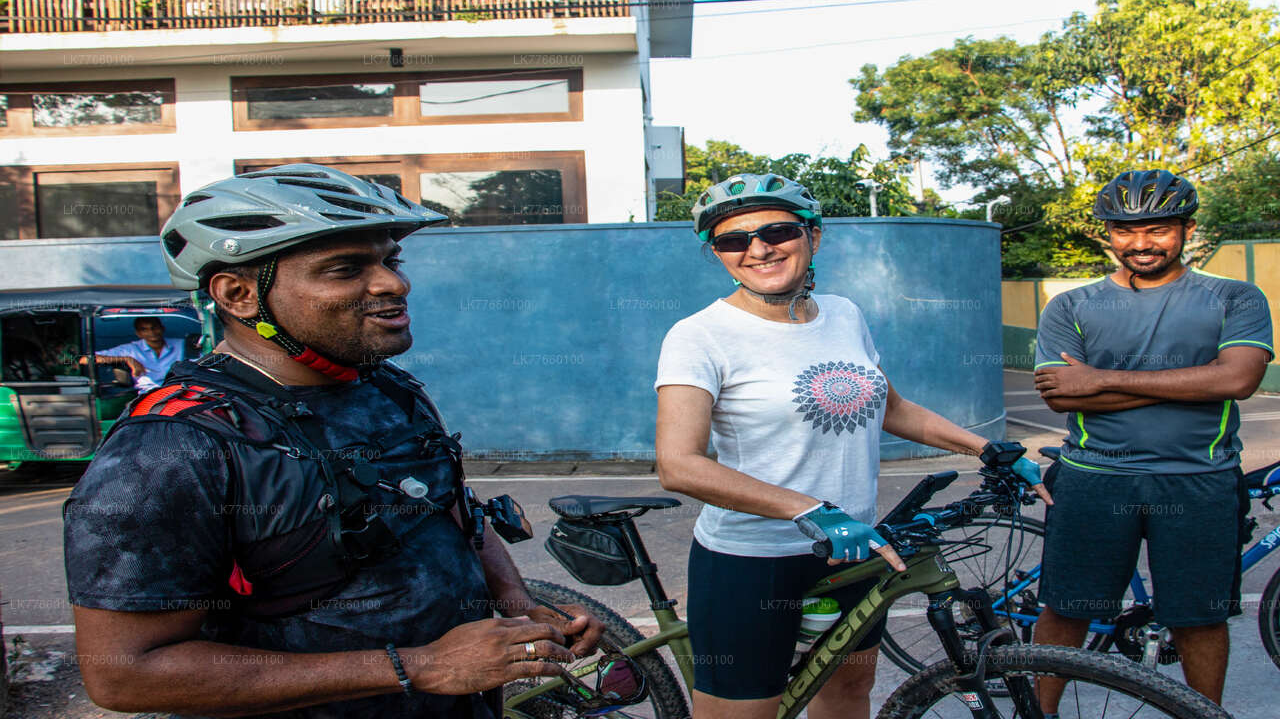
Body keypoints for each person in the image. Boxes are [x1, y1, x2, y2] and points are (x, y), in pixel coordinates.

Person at [62, 164, 603, 719]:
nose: (395, 284)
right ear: (240, 294)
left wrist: (516, 603)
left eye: (390, 260)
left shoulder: (386, 387)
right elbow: (124, 674)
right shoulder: (173, 447)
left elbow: (448, 511)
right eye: (345, 269)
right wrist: (417, 666)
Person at [653, 173, 1050, 719]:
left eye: (777, 231)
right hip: (753, 559)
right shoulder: (699, 336)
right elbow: (679, 465)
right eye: (732, 240)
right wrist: (808, 509)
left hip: (854, 551)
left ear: (814, 236)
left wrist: (987, 449)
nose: (758, 248)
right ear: (718, 253)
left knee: (846, 697)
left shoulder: (844, 314)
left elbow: (892, 407)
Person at [1031, 169, 1274, 712]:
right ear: (1108, 235)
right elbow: (1063, 396)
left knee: (1200, 616)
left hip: (1200, 481)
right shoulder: (1070, 306)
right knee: (1066, 610)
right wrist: (1195, 380)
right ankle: (1038, 712)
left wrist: (1103, 378)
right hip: (1093, 478)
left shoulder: (1234, 297)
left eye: (1158, 229)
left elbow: (1238, 379)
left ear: (1187, 229)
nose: (1140, 243)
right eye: (1125, 230)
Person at [89, 316, 184, 392]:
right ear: (138, 333)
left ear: (162, 328)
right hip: (147, 394)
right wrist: (127, 359)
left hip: (180, 392)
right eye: (144, 329)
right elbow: (85, 359)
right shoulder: (130, 349)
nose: (151, 332)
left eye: (154, 327)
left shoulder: (182, 345)